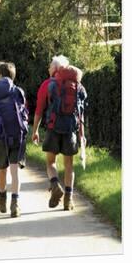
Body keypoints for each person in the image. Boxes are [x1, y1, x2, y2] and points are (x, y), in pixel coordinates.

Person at [32, 56, 87, 211]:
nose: (48, 68)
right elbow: (81, 113)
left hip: (53, 128)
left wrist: (35, 130)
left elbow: (39, 110)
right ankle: (68, 200)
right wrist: (82, 135)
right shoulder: (78, 86)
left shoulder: (48, 85)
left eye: (50, 65)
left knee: (50, 162)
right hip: (71, 130)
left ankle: (55, 185)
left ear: (56, 68)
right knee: (69, 165)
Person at [0, 62, 29, 218]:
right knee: (15, 171)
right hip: (18, 135)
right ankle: (15, 203)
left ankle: (2, 197)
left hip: (0, 136)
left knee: (2, 169)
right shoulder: (19, 92)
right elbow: (25, 113)